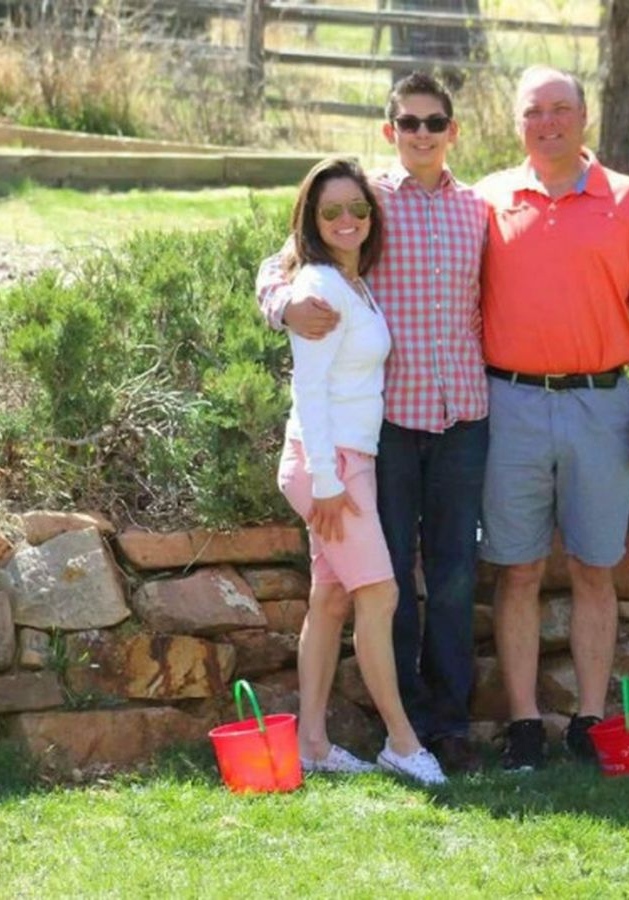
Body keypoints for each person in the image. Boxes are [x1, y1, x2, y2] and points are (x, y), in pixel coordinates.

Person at [257, 73, 489, 774]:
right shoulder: (364, 201)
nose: (422, 133)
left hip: (462, 416)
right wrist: (281, 307)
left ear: (452, 131)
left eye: (434, 121)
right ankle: (404, 733)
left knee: (440, 577)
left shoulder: (479, 209)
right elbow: (281, 264)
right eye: (408, 122)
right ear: (391, 131)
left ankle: (439, 728)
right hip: (383, 432)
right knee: (384, 587)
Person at [476, 65, 629, 771]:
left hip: (602, 405)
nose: (548, 123)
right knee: (518, 570)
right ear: (517, 123)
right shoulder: (487, 200)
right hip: (509, 405)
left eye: (561, 108)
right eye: (534, 111)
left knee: (596, 568)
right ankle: (524, 723)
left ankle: (591, 720)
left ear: (585, 115)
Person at [276, 156, 446, 786]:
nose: (346, 219)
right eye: (331, 211)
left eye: (357, 208)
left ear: (371, 215)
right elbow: (309, 390)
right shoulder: (318, 287)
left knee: (330, 598)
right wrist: (326, 481)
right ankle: (402, 743)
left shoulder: (352, 281)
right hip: (329, 466)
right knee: (380, 593)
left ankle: (312, 745)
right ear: (312, 220)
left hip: (352, 461)